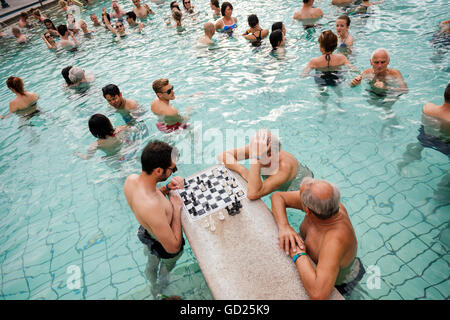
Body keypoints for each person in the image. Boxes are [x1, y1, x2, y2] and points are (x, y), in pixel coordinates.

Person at [270, 177, 364, 299]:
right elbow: (278, 197)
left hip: (342, 283)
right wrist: (284, 227)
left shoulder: (334, 241)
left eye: (300, 194)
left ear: (307, 210)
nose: (297, 196)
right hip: (329, 262)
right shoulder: (326, 207)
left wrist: (297, 254)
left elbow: (319, 295)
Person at [123, 140, 185, 298]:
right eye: (172, 169)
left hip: (147, 235)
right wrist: (176, 209)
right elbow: (173, 248)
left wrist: (165, 189)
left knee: (151, 265)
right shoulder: (152, 206)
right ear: (158, 171)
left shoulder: (131, 181)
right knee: (166, 268)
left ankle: (153, 287)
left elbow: (151, 196)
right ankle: (161, 288)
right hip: (164, 247)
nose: (174, 171)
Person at [218, 129, 313, 200]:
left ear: (270, 155)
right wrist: (242, 170)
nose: (252, 152)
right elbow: (223, 156)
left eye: (256, 152)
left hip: (298, 184)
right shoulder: (258, 149)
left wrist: (256, 158)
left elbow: (252, 194)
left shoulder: (284, 168)